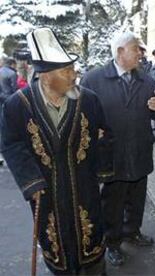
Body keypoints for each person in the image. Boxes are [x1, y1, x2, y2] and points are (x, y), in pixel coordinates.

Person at [1, 27, 113, 275]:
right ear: (45, 76)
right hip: (46, 191)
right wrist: (31, 182)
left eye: (73, 69)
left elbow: (105, 134)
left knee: (92, 245)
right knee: (55, 244)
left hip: (84, 187)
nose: (74, 75)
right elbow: (11, 144)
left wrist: (103, 172)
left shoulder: (89, 100)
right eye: (67, 70)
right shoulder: (17, 106)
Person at [81, 31, 155, 266]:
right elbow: (81, 117)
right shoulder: (92, 80)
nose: (141, 54)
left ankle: (133, 231)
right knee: (112, 201)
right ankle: (112, 242)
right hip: (111, 154)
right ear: (120, 52)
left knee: (137, 197)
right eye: (136, 49)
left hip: (139, 150)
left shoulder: (147, 80)